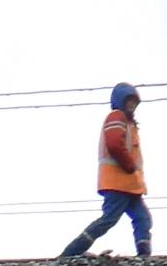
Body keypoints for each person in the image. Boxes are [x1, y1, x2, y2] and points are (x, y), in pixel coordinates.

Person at [59, 84, 151, 257]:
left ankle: (144, 257)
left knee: (142, 219)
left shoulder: (129, 123)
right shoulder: (117, 117)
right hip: (118, 183)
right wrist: (129, 164)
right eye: (128, 101)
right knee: (109, 219)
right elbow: (114, 144)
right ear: (120, 101)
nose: (131, 105)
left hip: (130, 185)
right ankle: (71, 252)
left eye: (134, 102)